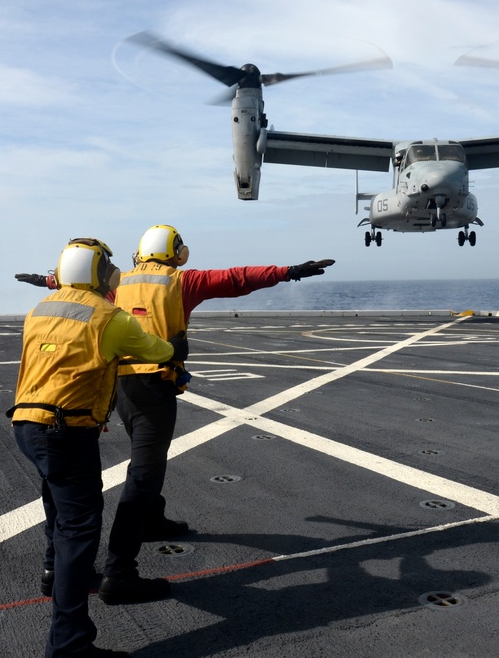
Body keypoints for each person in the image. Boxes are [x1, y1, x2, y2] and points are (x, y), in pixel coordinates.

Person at [97, 224, 333, 605]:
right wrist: (288, 271)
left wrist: (48, 280)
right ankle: (118, 571)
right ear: (178, 253)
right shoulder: (180, 281)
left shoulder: (118, 283)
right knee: (143, 473)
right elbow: (236, 279)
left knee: (149, 460)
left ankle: (152, 520)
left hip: (121, 390)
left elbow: (78, 291)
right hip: (154, 388)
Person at [7, 238, 188, 658]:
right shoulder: (110, 317)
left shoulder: (39, 310)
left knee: (56, 504)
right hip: (65, 432)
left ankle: (54, 572)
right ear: (102, 273)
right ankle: (69, 645)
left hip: (26, 425)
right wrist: (173, 347)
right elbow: (155, 349)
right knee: (80, 531)